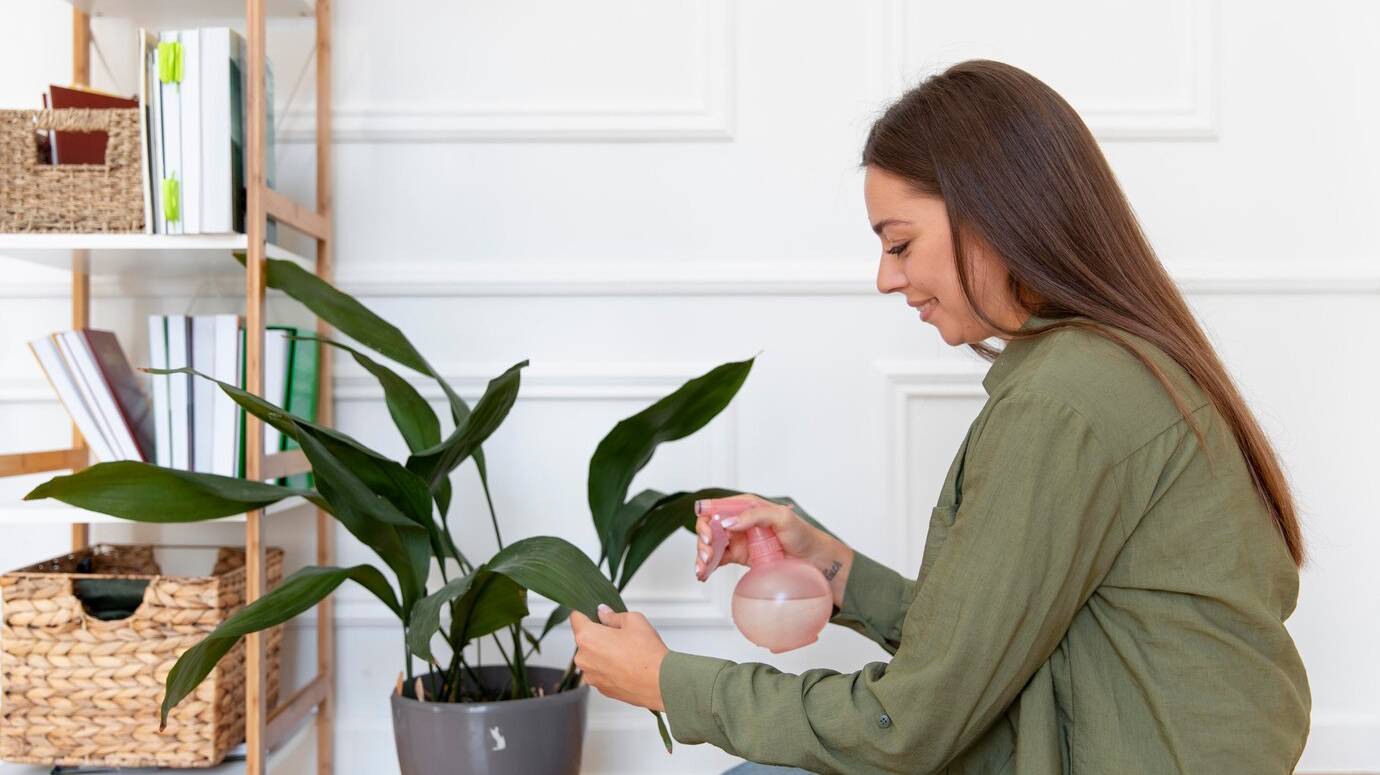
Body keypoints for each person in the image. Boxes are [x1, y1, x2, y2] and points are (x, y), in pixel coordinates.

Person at [568, 59, 1311, 774]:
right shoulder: (1104, 370)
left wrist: (667, 681)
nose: (887, 277)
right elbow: (982, 644)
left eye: (900, 243)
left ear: (994, 213)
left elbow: (910, 725)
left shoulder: (1065, 403)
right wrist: (828, 562)